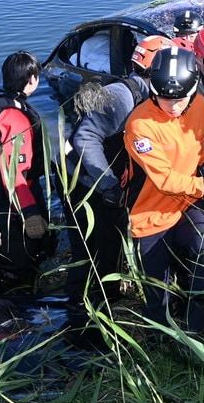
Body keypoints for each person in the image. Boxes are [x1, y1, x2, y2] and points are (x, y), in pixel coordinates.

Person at [63, 35, 173, 344]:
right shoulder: (121, 97)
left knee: (110, 250)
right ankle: (80, 328)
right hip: (86, 186)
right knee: (89, 255)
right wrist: (108, 183)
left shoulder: (150, 98)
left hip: (111, 187)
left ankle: (106, 311)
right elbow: (84, 139)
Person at [123, 46, 204, 336]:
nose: (172, 106)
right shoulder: (140, 125)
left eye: (179, 99)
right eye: (164, 98)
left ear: (194, 89)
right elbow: (165, 181)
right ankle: (161, 340)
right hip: (150, 214)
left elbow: (197, 148)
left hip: (187, 204)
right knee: (156, 291)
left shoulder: (198, 105)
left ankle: (199, 329)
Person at [0, 51, 50, 296]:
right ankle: (13, 308)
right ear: (31, 80)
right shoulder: (16, 120)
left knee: (2, 251)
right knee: (16, 258)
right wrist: (30, 213)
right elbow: (13, 172)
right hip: (13, 198)